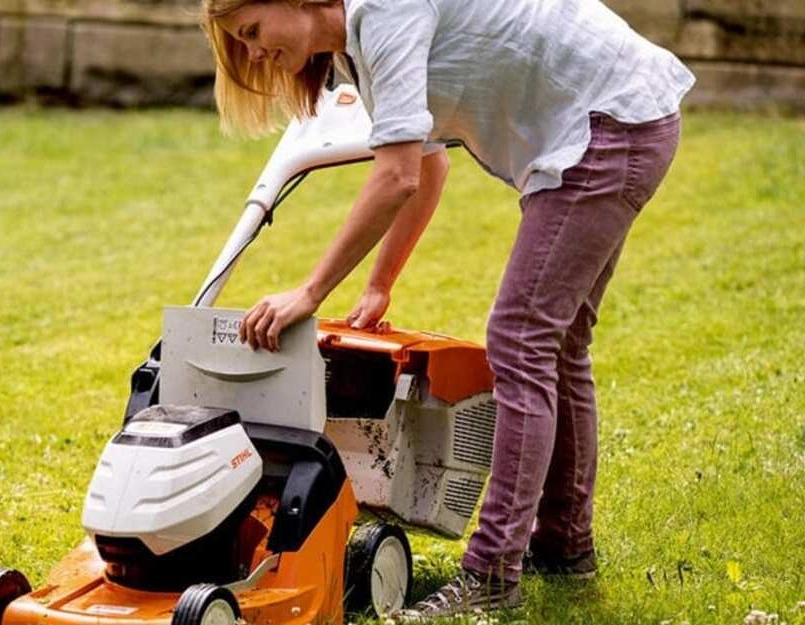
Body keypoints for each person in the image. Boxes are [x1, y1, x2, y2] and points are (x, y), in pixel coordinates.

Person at [201, 0, 695, 615]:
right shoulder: (359, 46)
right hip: (618, 115)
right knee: (558, 346)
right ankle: (564, 547)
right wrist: (379, 284)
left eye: (251, 31)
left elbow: (398, 177)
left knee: (521, 342)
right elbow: (427, 163)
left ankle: (493, 572)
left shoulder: (383, 11)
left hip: (608, 124)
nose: (252, 53)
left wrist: (310, 293)